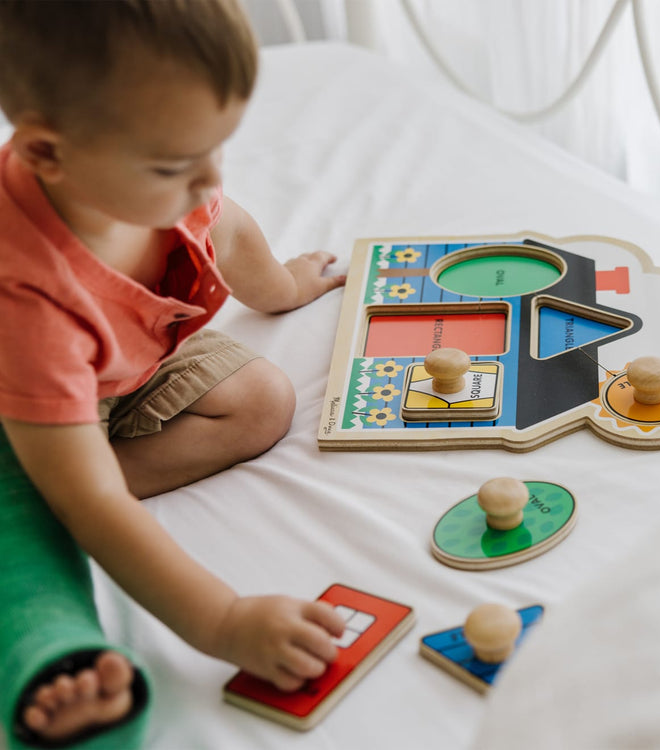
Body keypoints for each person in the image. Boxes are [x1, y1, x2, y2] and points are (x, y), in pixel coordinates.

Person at [0, 1, 347, 747]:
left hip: (124, 371)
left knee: (263, 401)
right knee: (30, 558)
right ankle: (41, 556)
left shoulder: (164, 172)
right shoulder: (26, 300)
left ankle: (52, 484)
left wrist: (285, 288)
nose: (209, 178)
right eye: (174, 165)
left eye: (218, 146)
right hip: (23, 398)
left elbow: (229, 225)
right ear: (49, 154)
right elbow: (95, 500)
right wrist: (222, 622)